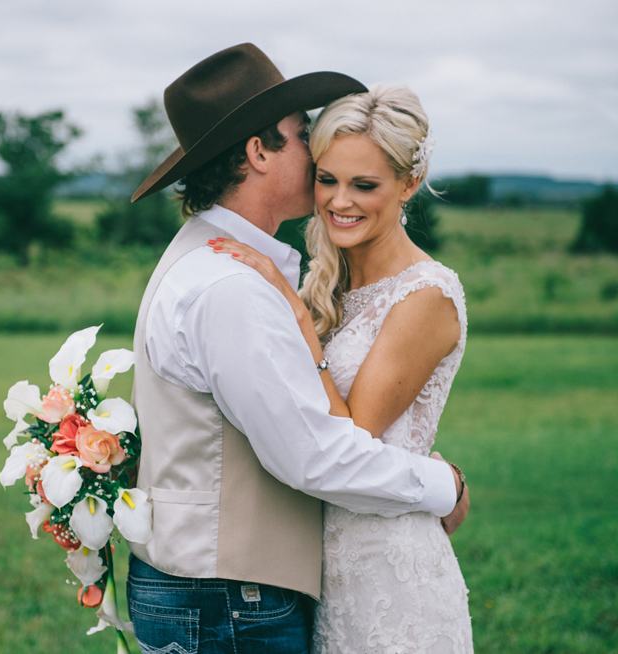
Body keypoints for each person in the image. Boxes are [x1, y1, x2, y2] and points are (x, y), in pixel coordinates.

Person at [125, 43, 469, 654]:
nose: (317, 157)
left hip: (256, 586)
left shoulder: (206, 259)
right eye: (303, 135)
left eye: (363, 182)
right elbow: (314, 457)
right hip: (228, 598)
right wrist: (445, 484)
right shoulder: (232, 285)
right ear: (260, 151)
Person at [210, 84, 473, 652]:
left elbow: (349, 438)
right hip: (321, 573)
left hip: (392, 576)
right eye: (327, 179)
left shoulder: (426, 295)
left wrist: (298, 320)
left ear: (409, 183)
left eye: (364, 185)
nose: (339, 201)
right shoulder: (328, 280)